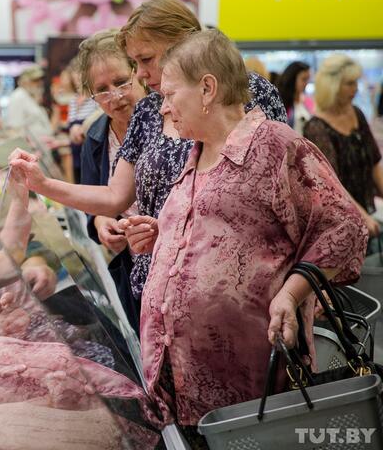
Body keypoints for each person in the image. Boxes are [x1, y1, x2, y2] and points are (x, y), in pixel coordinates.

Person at [148, 29, 364, 447]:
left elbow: (343, 225)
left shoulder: (274, 146)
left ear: (207, 88)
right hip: (184, 384)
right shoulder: (196, 153)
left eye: (171, 94)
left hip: (252, 389)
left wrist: (292, 292)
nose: (165, 107)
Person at [9, 0, 287, 304]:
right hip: (154, 289)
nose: (140, 74)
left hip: (237, 291)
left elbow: (282, 194)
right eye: (134, 63)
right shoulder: (148, 110)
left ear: (183, 43)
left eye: (146, 59)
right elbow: (116, 196)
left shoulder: (249, 92)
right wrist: (43, 184)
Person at [74, 29, 147, 332]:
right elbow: (95, 202)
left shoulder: (174, 123)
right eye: (101, 90)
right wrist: (101, 222)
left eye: (120, 82)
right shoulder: (95, 137)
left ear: (138, 72)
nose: (115, 97)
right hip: (130, 266)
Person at [303, 54, 383, 253]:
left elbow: (374, 163)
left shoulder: (357, 114)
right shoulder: (316, 128)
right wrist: (361, 216)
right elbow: (331, 183)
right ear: (333, 85)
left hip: (369, 215)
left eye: (356, 82)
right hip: (341, 224)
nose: (355, 89)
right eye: (349, 83)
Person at [5, 64, 53, 139]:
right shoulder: (18, 96)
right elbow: (13, 129)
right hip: (30, 147)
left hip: (42, 146)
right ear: (25, 80)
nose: (39, 83)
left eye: (40, 80)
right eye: (35, 80)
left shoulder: (30, 96)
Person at [276, 61, 313, 133]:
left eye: (308, 79)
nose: (306, 83)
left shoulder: (308, 101)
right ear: (292, 79)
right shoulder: (280, 102)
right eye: (303, 79)